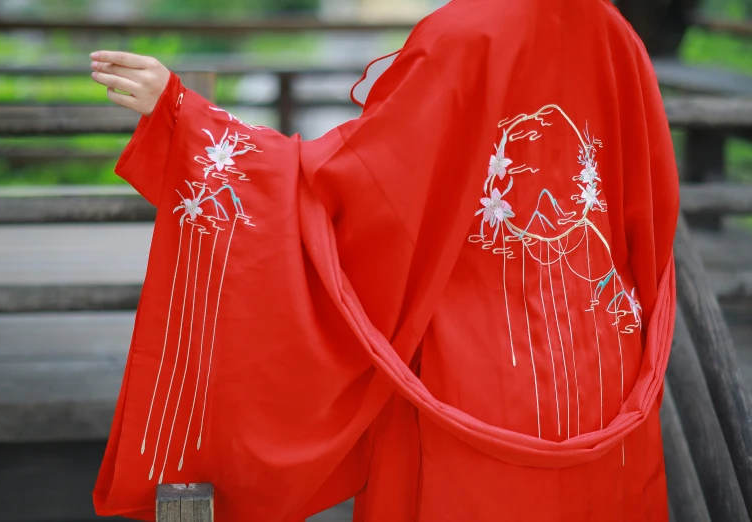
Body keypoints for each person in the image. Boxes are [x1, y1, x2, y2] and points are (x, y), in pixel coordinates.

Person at [90, 0, 680, 520]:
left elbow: (356, 192)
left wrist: (185, 119)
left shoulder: (465, 35)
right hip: (606, 365)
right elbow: (650, 212)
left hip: (472, 371)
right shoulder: (616, 35)